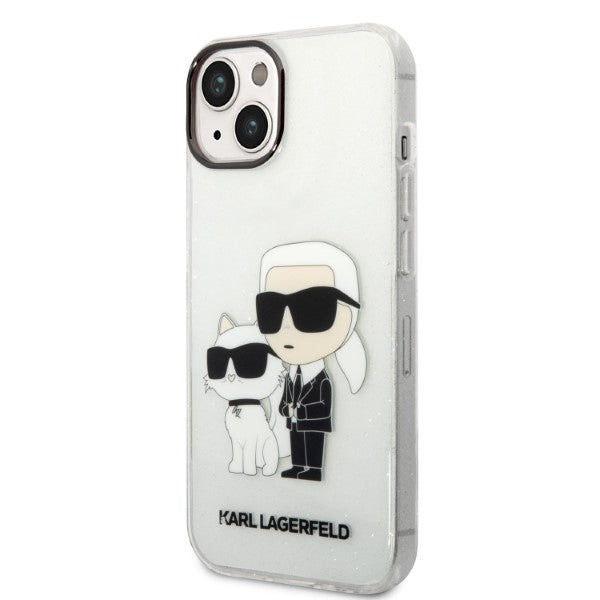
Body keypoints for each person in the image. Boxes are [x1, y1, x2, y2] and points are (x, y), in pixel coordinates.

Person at [256, 241, 367, 481]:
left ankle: (313, 469)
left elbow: (323, 405)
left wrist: (301, 410)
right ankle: (298, 466)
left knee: (313, 444)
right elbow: (285, 399)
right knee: (297, 442)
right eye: (271, 308)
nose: (287, 325)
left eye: (314, 308)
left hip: (313, 422)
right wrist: (286, 409)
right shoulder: (290, 375)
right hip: (295, 421)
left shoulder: (321, 379)